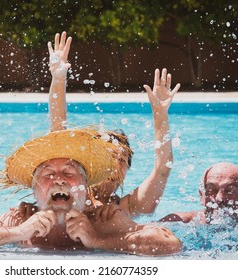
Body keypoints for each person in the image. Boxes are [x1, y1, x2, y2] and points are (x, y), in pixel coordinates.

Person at [0, 129, 182, 256]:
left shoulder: (102, 219)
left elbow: (170, 243)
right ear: (34, 190)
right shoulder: (19, 219)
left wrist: (98, 241)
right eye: (48, 174)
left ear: (84, 186)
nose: (58, 180)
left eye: (68, 172)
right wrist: (16, 233)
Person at [21, 31, 181, 217]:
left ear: (126, 170)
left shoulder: (128, 207)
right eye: (108, 157)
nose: (114, 165)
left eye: (121, 160)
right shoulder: (69, 195)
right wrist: (58, 78)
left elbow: (162, 170)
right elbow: (58, 131)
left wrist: (160, 115)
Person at [159, 162, 238, 225]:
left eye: (230, 190)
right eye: (211, 189)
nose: (219, 198)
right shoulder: (180, 222)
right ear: (202, 196)